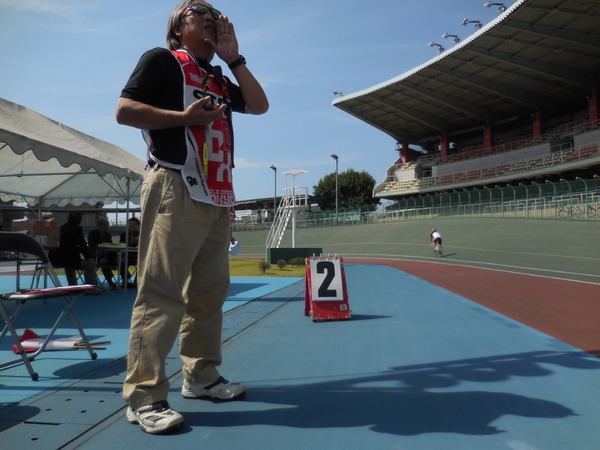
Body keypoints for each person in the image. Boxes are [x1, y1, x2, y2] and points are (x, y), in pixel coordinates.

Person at [116, 1, 268, 435]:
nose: (210, 15)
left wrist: (234, 58)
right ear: (178, 26)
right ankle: (144, 396)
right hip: (174, 183)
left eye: (215, 12)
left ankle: (200, 376)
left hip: (217, 193)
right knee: (162, 292)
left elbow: (258, 106)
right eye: (198, 10)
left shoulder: (219, 76)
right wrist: (182, 118)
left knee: (209, 293)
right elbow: (124, 111)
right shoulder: (161, 60)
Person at [58, 211, 103, 294]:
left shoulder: (62, 227)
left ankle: (73, 287)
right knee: (89, 264)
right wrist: (89, 257)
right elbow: (82, 244)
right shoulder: (77, 229)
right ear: (79, 220)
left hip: (62, 259)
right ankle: (90, 288)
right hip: (73, 259)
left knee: (69, 266)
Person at [88, 219, 118, 290]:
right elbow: (92, 247)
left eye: (108, 225)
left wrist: (116, 257)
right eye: (106, 225)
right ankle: (110, 282)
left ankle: (126, 281)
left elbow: (111, 247)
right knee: (105, 265)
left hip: (108, 257)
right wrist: (100, 257)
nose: (108, 227)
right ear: (99, 226)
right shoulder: (92, 234)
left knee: (122, 262)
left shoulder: (108, 235)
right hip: (96, 257)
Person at [119, 217, 140, 288]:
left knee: (142, 262)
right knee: (121, 262)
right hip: (126, 256)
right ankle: (125, 281)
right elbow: (122, 244)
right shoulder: (123, 234)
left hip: (136, 256)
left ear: (137, 226)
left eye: (134, 224)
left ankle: (136, 281)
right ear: (128, 225)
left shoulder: (141, 234)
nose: (132, 225)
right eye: (130, 224)